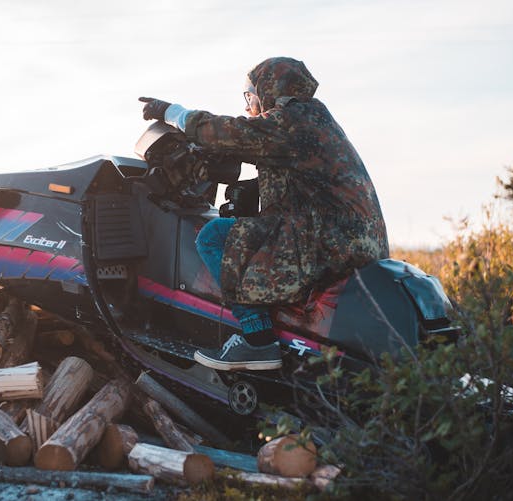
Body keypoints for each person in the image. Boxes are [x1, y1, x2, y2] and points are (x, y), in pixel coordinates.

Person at [139, 56, 389, 371]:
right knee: (246, 227)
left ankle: (257, 341)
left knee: (214, 237)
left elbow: (232, 133)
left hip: (331, 240)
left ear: (271, 89)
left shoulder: (292, 120)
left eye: (250, 96)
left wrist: (172, 113)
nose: (248, 106)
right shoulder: (315, 120)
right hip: (351, 238)